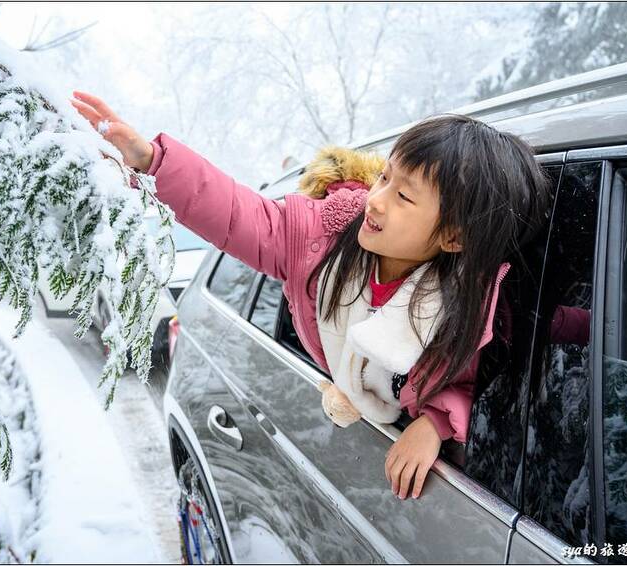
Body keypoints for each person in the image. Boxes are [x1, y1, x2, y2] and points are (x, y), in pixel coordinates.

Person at [70, 90, 552, 501]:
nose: (376, 198)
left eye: (403, 196)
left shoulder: (456, 307)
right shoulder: (320, 239)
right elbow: (241, 215)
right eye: (384, 177)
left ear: (452, 237)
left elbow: (460, 384)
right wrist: (154, 161)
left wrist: (435, 424)